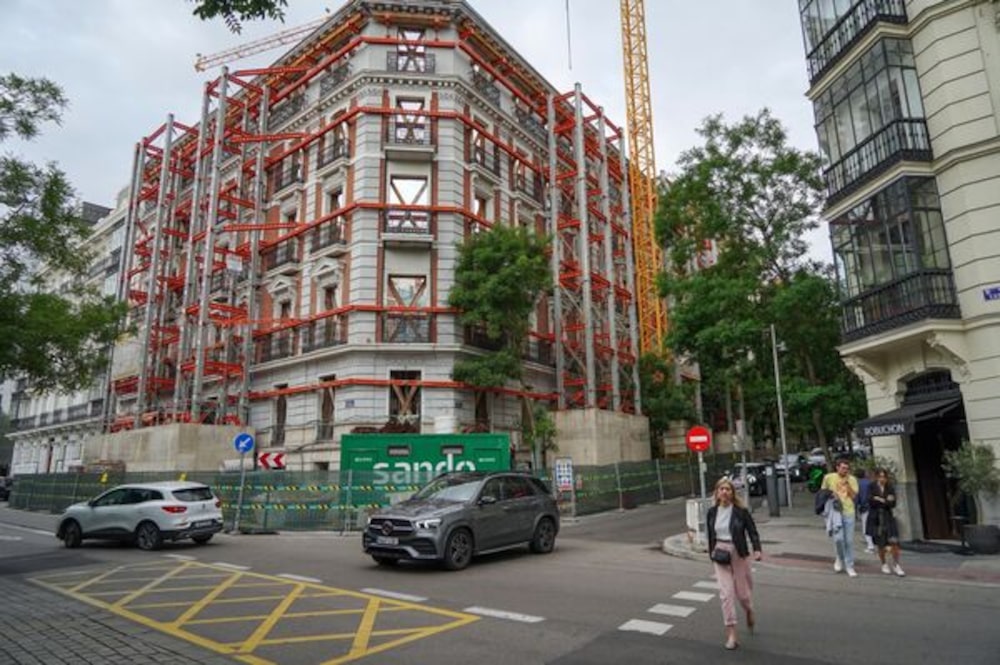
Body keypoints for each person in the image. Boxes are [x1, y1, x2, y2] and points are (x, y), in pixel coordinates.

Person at [706, 477, 762, 650]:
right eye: (721, 489)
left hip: (738, 553)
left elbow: (752, 531)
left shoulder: (740, 511)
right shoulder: (712, 512)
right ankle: (732, 635)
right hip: (720, 555)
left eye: (727, 489)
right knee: (726, 595)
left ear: (732, 492)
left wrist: (757, 549)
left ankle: (749, 610)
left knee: (743, 595)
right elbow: (710, 534)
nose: (724, 492)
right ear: (717, 492)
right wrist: (711, 551)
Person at [822, 456, 859, 576]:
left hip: (849, 511)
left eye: (847, 469)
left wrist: (848, 486)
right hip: (835, 512)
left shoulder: (852, 479)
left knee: (848, 541)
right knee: (838, 539)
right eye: (843, 468)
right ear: (837, 468)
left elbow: (854, 497)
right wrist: (831, 494)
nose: (845, 471)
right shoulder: (829, 477)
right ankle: (839, 557)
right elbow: (822, 493)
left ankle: (849, 565)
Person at [867, 468, 905, 576]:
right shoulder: (872, 486)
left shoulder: (890, 487)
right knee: (881, 543)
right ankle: (884, 563)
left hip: (888, 516)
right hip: (876, 517)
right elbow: (870, 501)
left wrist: (880, 499)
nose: (882, 479)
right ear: (876, 477)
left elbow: (892, 503)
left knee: (894, 541)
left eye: (884, 476)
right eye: (880, 476)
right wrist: (881, 500)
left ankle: (896, 564)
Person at [856, 467, 875, 553]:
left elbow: (857, 498)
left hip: (865, 507)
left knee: (866, 527)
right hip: (874, 506)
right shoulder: (870, 483)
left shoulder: (858, 484)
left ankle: (870, 546)